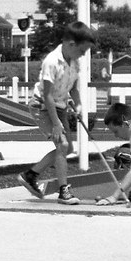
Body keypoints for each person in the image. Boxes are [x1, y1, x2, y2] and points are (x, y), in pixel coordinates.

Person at [17, 21, 98, 205]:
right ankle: (64, 191)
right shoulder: (51, 62)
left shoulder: (75, 62)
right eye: (82, 50)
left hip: (59, 105)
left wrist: (77, 105)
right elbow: (47, 96)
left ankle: (30, 175)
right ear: (71, 44)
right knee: (62, 145)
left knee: (68, 148)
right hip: (42, 106)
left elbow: (74, 88)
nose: (84, 55)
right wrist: (56, 123)